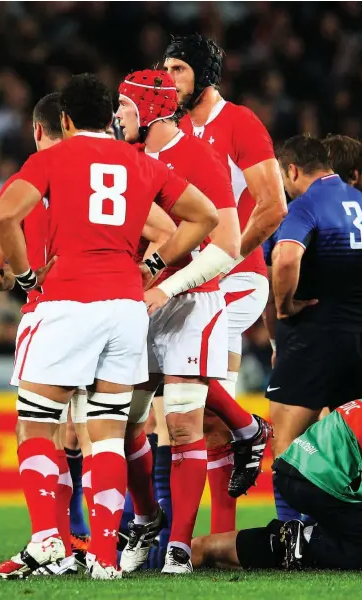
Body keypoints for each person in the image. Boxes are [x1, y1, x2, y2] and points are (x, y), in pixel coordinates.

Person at [0, 73, 219, 580]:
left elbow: (5, 217)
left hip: (68, 299)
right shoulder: (140, 162)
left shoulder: (50, 158)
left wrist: (27, 274)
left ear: (65, 120)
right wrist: (155, 265)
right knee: (110, 433)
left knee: (36, 421)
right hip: (125, 306)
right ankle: (105, 558)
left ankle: (48, 541)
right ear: (111, 118)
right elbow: (203, 217)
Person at [114, 68, 259, 575]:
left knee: (181, 423)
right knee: (126, 424)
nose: (118, 117)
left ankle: (178, 545)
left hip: (193, 301)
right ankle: (148, 519)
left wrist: (163, 284)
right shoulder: (124, 159)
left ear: (152, 110)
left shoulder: (199, 153)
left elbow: (229, 246)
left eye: (126, 108)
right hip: (141, 301)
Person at [164, 34, 286, 515]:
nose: (170, 80)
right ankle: (220, 536)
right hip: (194, 278)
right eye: (166, 70)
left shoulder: (239, 123)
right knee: (210, 416)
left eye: (179, 70)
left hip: (235, 280)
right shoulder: (168, 128)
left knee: (180, 365)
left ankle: (251, 428)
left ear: (204, 75)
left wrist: (229, 257)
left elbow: (273, 205)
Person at [265, 134, 362, 521]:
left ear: (292, 170)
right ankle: (355, 531)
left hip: (314, 337)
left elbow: (285, 257)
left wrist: (284, 306)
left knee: (289, 442)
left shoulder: (305, 204)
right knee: (358, 442)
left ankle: (291, 532)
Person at [192, 395, 362, 571]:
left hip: (302, 468)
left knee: (358, 537)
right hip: (320, 477)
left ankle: (206, 548)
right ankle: (303, 542)